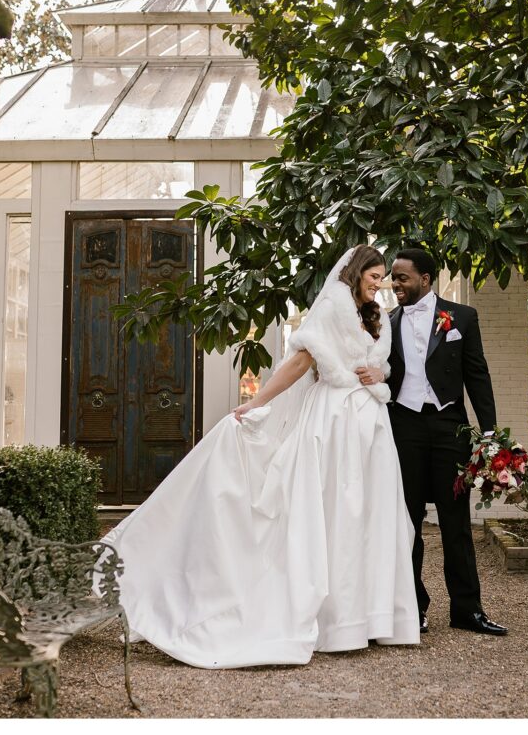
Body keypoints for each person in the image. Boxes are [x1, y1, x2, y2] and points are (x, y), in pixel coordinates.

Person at [98, 245, 419, 669]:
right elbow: (299, 362)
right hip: (335, 422)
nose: (379, 284)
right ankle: (337, 623)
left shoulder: (373, 316)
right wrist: (257, 401)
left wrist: (381, 373)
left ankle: (370, 617)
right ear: (356, 273)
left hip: (372, 427)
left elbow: (382, 365)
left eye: (382, 277)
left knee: (371, 516)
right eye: (374, 276)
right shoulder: (331, 310)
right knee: (337, 513)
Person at [381, 248, 508, 636]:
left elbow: (477, 375)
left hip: (449, 426)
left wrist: (489, 434)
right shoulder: (386, 323)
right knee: (408, 522)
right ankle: (412, 609)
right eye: (392, 277)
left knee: (456, 522)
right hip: (403, 428)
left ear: (425, 279)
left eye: (402, 277)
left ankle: (467, 610)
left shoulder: (462, 317)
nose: (395, 284)